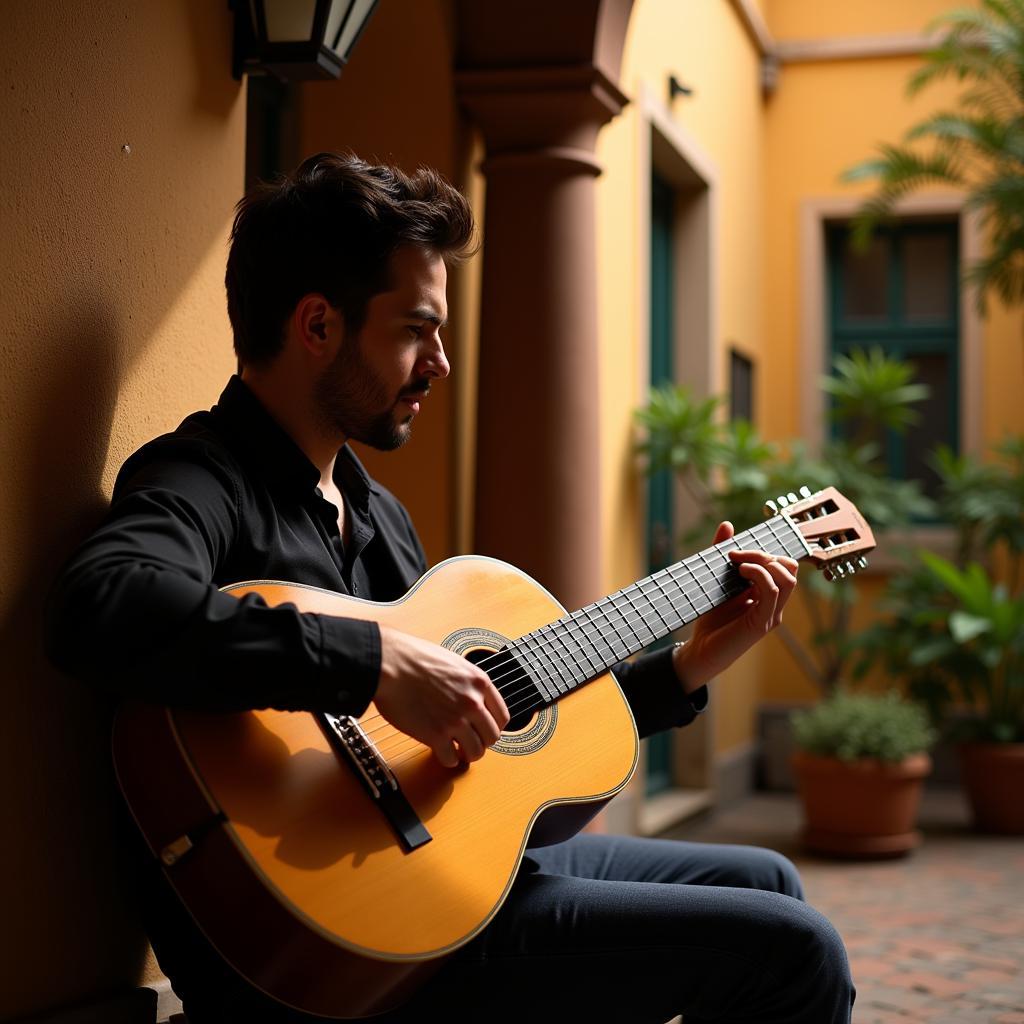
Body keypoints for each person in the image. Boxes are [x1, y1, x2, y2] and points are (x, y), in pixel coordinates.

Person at [45, 153, 854, 1023]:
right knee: (796, 950)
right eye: (414, 331)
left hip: (444, 878)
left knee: (768, 877)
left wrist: (685, 667)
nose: (439, 362)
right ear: (317, 324)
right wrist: (369, 659)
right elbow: (102, 605)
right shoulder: (202, 477)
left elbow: (490, 721)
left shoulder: (376, 511)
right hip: (331, 943)